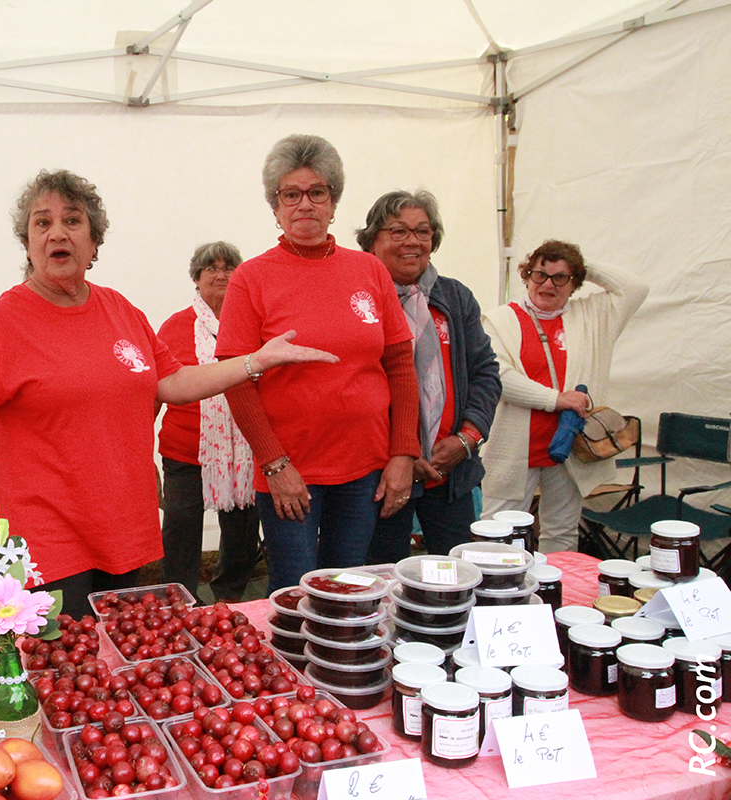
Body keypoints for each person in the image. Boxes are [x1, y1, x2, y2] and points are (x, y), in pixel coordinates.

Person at [0, 169, 338, 618]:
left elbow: (174, 384)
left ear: (93, 242)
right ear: (28, 243)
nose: (56, 232)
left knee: (118, 667)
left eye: (72, 221)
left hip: (125, 526)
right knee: (68, 670)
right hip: (49, 540)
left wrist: (251, 362)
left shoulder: (121, 311)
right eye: (43, 222)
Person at [215, 134, 420, 594]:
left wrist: (402, 453)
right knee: (296, 593)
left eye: (317, 192)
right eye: (291, 194)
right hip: (291, 473)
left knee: (349, 590)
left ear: (333, 201)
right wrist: (273, 463)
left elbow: (401, 367)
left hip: (365, 469)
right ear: (275, 206)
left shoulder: (369, 270)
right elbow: (236, 380)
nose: (304, 204)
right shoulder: (251, 278)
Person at [355, 190, 500, 562]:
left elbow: (486, 373)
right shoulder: (357, 300)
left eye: (423, 231)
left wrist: (467, 438)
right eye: (398, 231)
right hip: (378, 475)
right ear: (372, 240)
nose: (413, 242)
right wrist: (402, 452)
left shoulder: (454, 297)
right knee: (382, 578)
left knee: (457, 577)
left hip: (449, 469)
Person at [481, 240, 649, 553]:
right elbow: (499, 378)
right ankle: (502, 599)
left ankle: (555, 598)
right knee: (499, 536)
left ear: (574, 284)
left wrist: (581, 263)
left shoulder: (594, 315)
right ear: (527, 276)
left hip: (570, 448)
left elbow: (635, 287)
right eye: (540, 274)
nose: (548, 284)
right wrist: (558, 399)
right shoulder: (499, 320)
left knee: (561, 535)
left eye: (561, 277)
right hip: (515, 449)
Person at [157, 242, 261, 602]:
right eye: (210, 269)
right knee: (180, 531)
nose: (220, 275)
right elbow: (154, 388)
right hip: (184, 453)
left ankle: (229, 598)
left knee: (243, 535)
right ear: (196, 279)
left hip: (246, 453)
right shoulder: (175, 326)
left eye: (228, 268)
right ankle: (180, 601)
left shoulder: (255, 321)